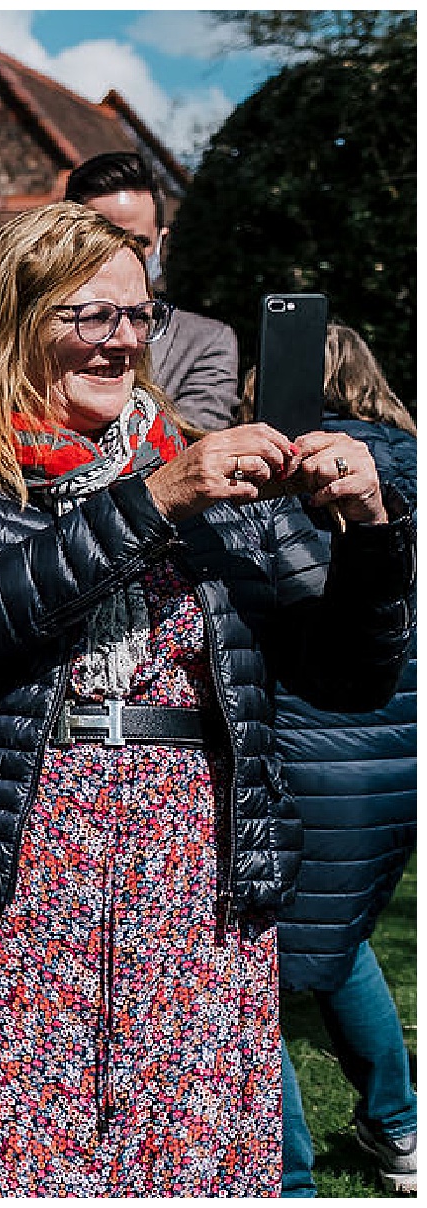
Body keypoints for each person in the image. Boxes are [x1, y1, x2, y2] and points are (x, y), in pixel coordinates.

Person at [0, 202, 414, 1196]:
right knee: (12, 1145)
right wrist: (153, 500)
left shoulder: (210, 467)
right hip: (11, 864)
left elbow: (344, 678)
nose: (125, 340)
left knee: (168, 1143)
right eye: (92, 315)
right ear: (16, 317)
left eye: (139, 315)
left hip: (188, 872)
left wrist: (368, 536)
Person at [262, 324, 417, 1197]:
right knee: (340, 932)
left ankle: (285, 1174)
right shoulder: (413, 461)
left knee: (268, 949)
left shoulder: (301, 469)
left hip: (313, 730)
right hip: (397, 742)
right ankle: (398, 1126)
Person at [64, 150, 239, 432]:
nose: (120, 256)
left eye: (137, 242)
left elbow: (195, 454)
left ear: (161, 241)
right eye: (100, 241)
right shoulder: (29, 327)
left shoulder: (203, 342)